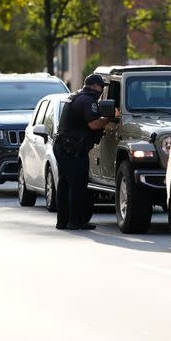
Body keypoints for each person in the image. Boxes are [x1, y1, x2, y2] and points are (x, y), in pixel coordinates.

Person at [53, 74, 112, 231]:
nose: (102, 90)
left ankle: (62, 221)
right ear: (93, 86)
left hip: (64, 146)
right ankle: (75, 222)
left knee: (65, 184)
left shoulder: (77, 96)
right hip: (73, 148)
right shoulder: (87, 100)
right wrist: (110, 118)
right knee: (77, 185)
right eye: (101, 86)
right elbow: (93, 124)